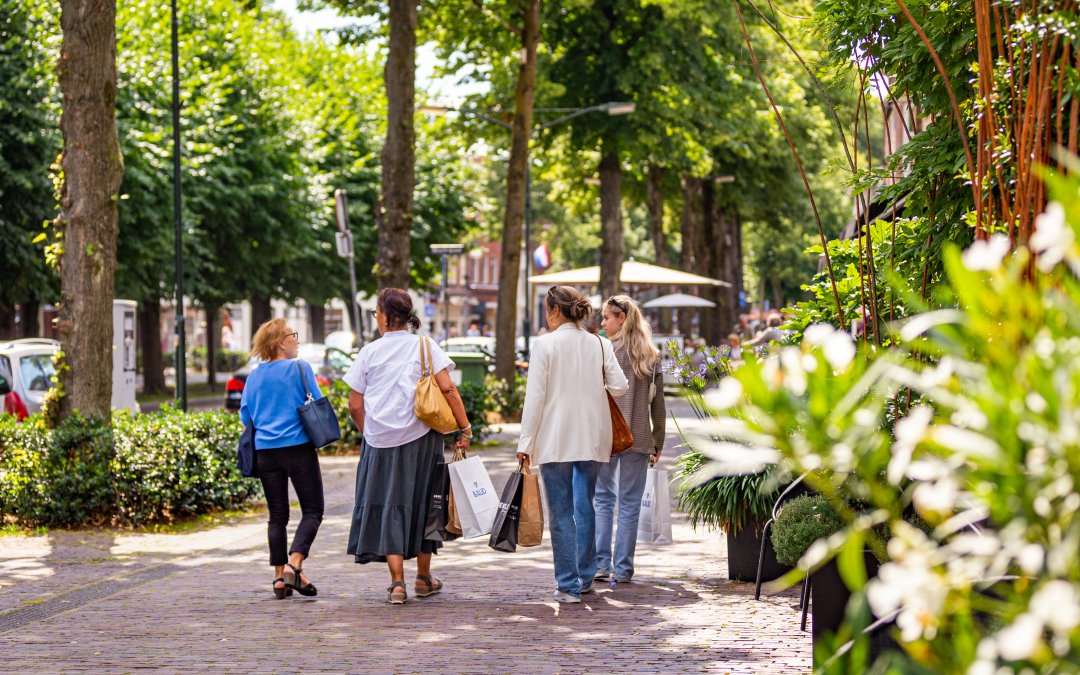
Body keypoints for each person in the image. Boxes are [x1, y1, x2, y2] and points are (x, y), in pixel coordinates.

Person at [343, 288, 473, 605]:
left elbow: (354, 405)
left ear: (386, 317)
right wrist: (464, 427)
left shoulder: (368, 353)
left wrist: (369, 432)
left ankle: (397, 583)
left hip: (379, 443)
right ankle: (423, 578)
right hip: (422, 439)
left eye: (376, 313)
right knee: (427, 503)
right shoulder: (426, 347)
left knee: (389, 504)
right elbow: (448, 389)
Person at [517, 286, 629, 604]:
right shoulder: (598, 343)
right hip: (593, 436)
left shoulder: (546, 345)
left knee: (562, 511)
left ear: (554, 311)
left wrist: (525, 441)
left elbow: (535, 397)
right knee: (586, 504)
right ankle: (586, 575)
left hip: (556, 438)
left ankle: (568, 585)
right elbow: (619, 386)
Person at [240, 318, 325, 600]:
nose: (297, 340)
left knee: (277, 516)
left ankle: (279, 578)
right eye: (293, 335)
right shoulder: (300, 368)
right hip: (298, 448)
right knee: (312, 510)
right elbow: (318, 400)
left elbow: (245, 417)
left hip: (266, 452)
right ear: (280, 343)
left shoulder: (254, 376)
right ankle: (295, 564)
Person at [595, 295, 667, 584]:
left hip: (607, 436)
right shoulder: (650, 355)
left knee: (602, 500)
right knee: (629, 504)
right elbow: (658, 405)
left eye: (606, 318)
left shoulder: (604, 351)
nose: (602, 323)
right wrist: (657, 441)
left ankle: (601, 565)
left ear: (621, 318)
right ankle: (623, 569)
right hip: (637, 438)